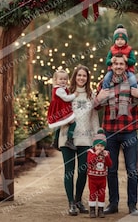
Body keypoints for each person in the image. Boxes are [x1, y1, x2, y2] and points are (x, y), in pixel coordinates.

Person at [94, 54, 138, 216]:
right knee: (111, 170)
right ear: (111, 66)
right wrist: (99, 98)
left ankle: (132, 205)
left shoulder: (135, 82)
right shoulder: (104, 83)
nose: (118, 66)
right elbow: (95, 106)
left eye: (121, 64)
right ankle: (113, 204)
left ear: (126, 66)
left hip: (129, 132)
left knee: (132, 169)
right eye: (115, 64)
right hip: (110, 132)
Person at [58, 65, 100, 216]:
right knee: (69, 172)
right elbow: (56, 112)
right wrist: (64, 120)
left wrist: (98, 139)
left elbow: (95, 118)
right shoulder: (65, 93)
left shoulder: (91, 95)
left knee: (83, 171)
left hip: (86, 139)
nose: (81, 78)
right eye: (79, 75)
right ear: (74, 77)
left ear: (88, 78)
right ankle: (70, 203)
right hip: (67, 137)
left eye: (84, 76)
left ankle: (78, 201)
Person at [47, 69, 78, 150]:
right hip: (60, 109)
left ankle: (55, 141)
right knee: (73, 123)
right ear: (55, 80)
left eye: (65, 79)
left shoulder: (62, 88)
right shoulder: (59, 90)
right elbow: (66, 98)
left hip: (60, 109)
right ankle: (69, 140)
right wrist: (74, 95)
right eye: (60, 79)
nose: (63, 81)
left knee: (59, 125)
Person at [102, 24, 137, 89]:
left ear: (126, 41)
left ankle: (134, 90)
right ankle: (105, 90)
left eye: (122, 39)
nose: (119, 41)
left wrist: (127, 60)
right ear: (114, 41)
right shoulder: (112, 49)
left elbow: (133, 61)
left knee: (133, 79)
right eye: (117, 39)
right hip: (113, 70)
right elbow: (107, 61)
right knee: (106, 78)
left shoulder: (129, 49)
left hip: (128, 70)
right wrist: (111, 60)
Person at [87, 128, 112, 218]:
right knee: (93, 193)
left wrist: (107, 157)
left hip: (102, 178)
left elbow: (109, 164)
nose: (99, 148)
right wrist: (96, 154)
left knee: (102, 194)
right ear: (94, 146)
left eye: (102, 146)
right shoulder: (91, 153)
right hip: (92, 178)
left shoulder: (106, 153)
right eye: (97, 145)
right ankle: (92, 209)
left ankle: (101, 210)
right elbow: (90, 162)